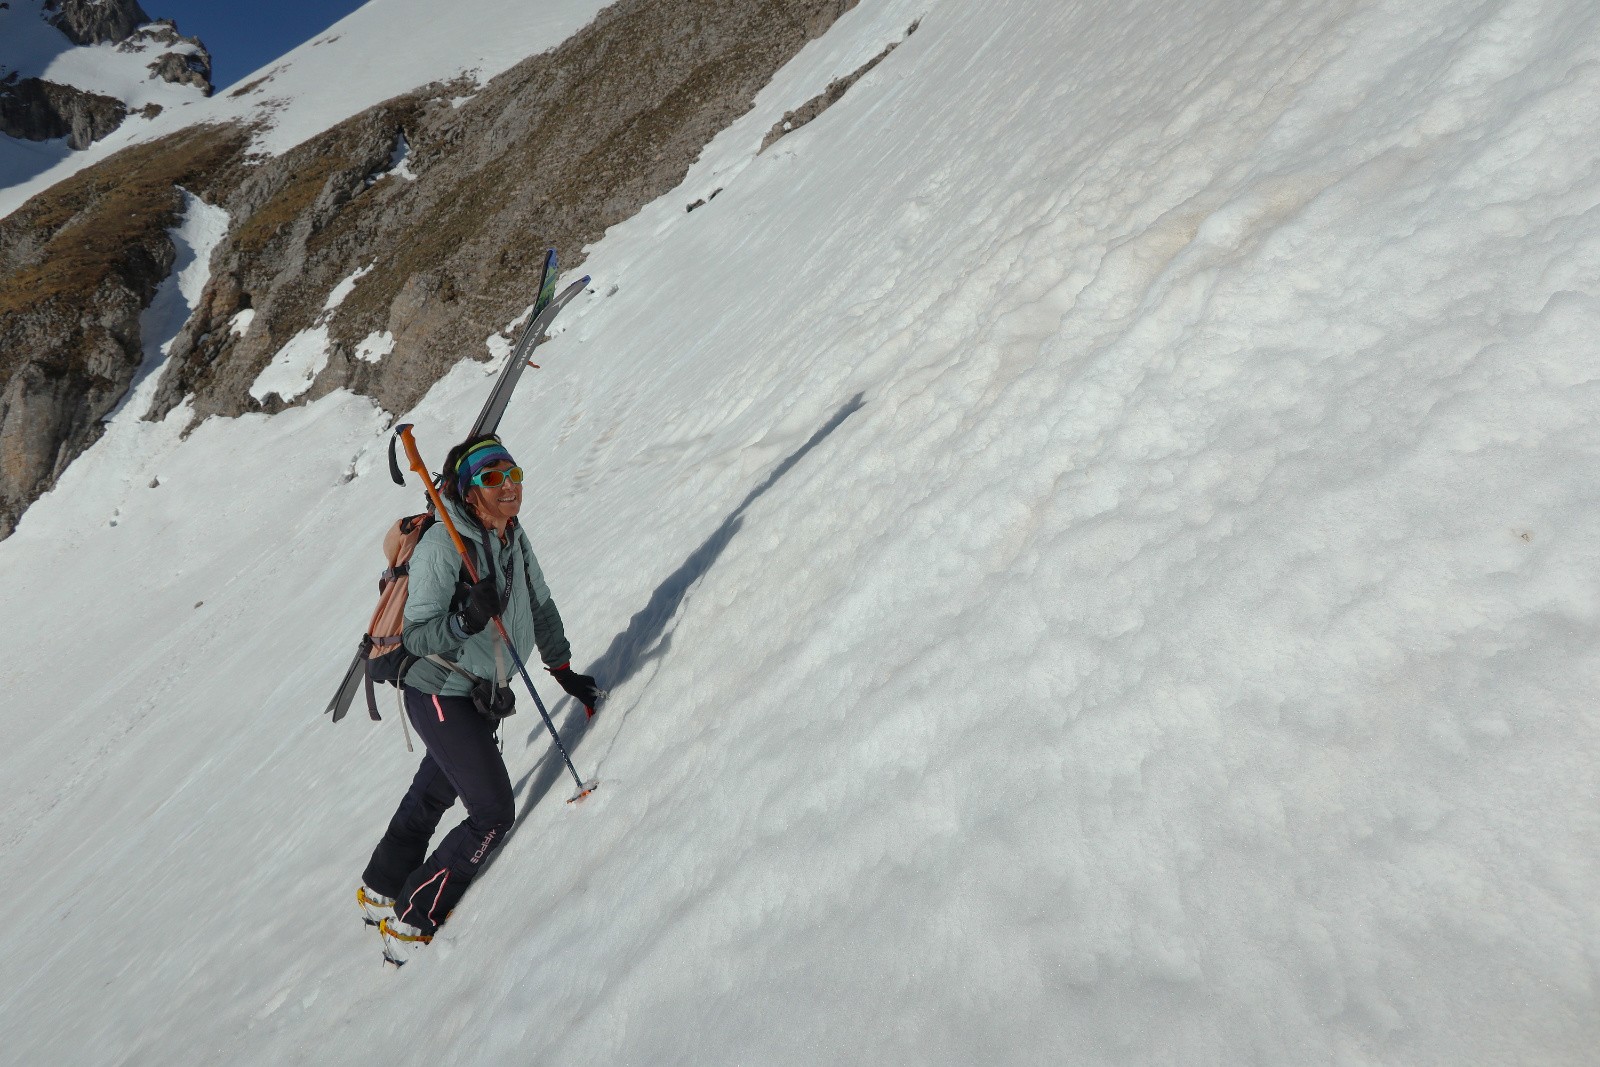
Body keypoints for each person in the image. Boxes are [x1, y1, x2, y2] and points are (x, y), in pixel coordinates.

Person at [356, 433, 602, 964]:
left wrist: (561, 669)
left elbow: (539, 602)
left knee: (435, 792)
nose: (509, 487)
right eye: (494, 479)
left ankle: (381, 886)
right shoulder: (446, 546)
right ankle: (410, 919)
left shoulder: (511, 535)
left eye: (514, 474)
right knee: (491, 812)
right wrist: (465, 619)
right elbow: (417, 637)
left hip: (481, 692)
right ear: (470, 493)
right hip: (438, 689)